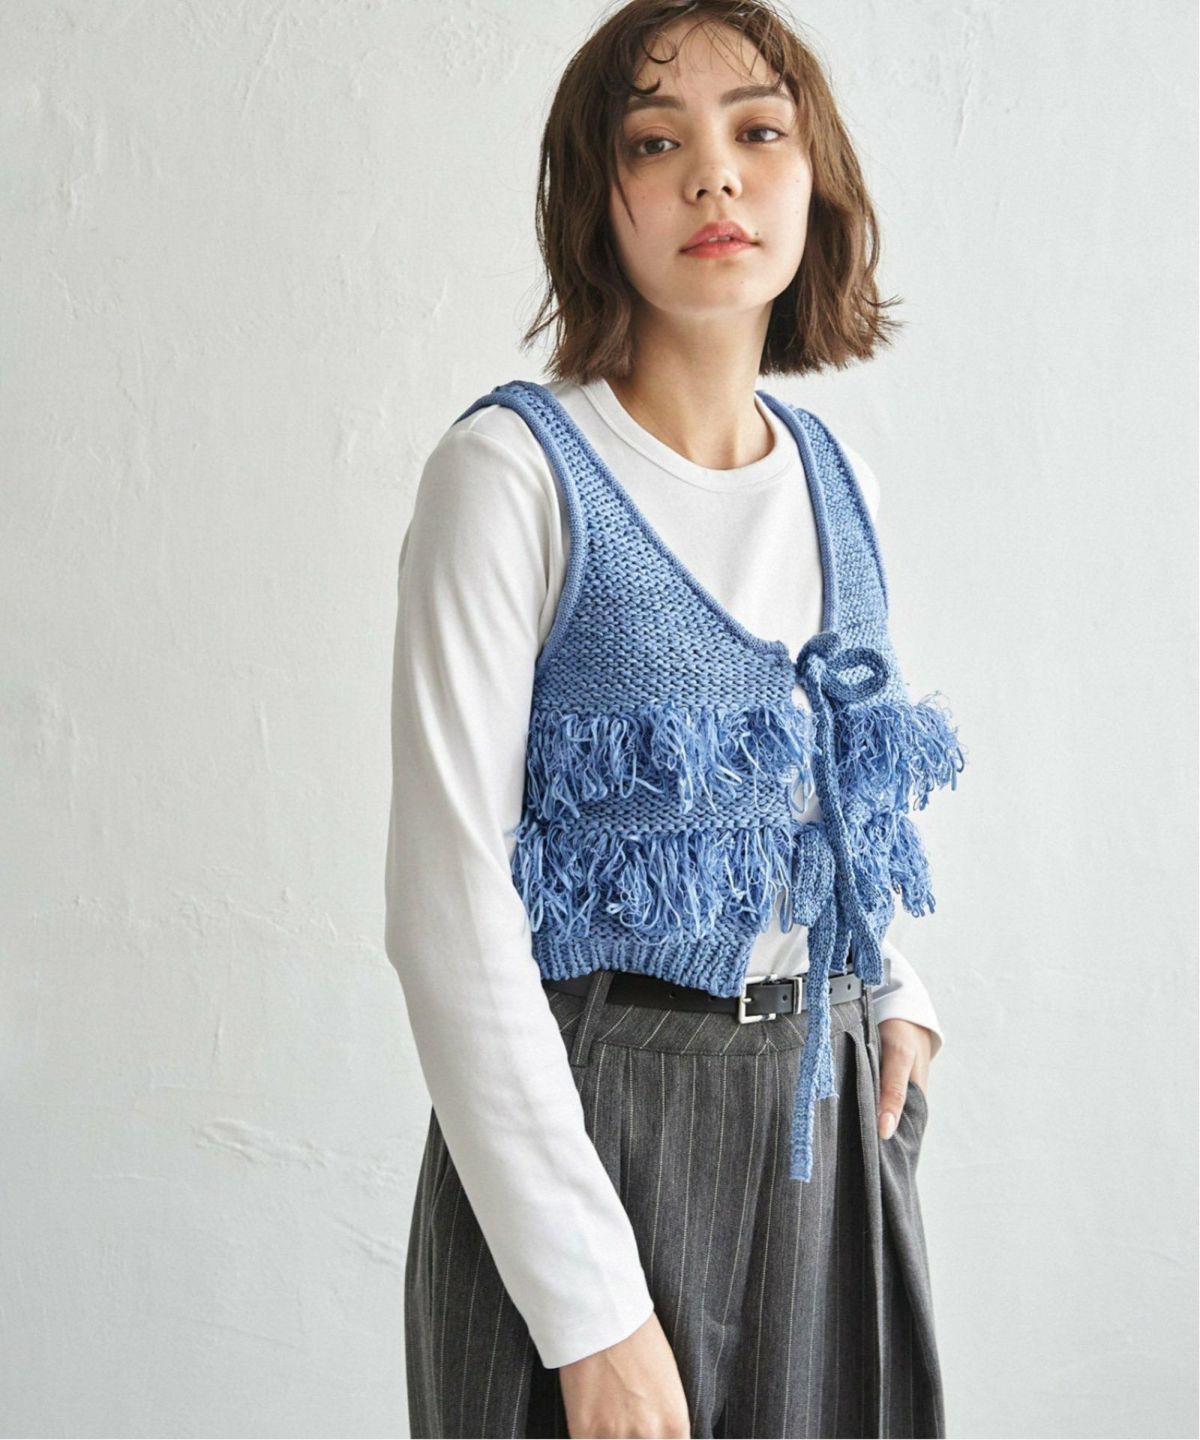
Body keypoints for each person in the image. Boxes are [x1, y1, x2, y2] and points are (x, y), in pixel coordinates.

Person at [385, 2, 968, 1435]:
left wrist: (894, 992)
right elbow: (448, 912)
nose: (715, 172)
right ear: (599, 202)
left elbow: (829, 806)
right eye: (656, 143)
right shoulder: (512, 476)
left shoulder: (837, 479)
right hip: (596, 1130)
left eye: (758, 130)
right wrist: (591, 1310)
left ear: (817, 179)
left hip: (824, 1122)